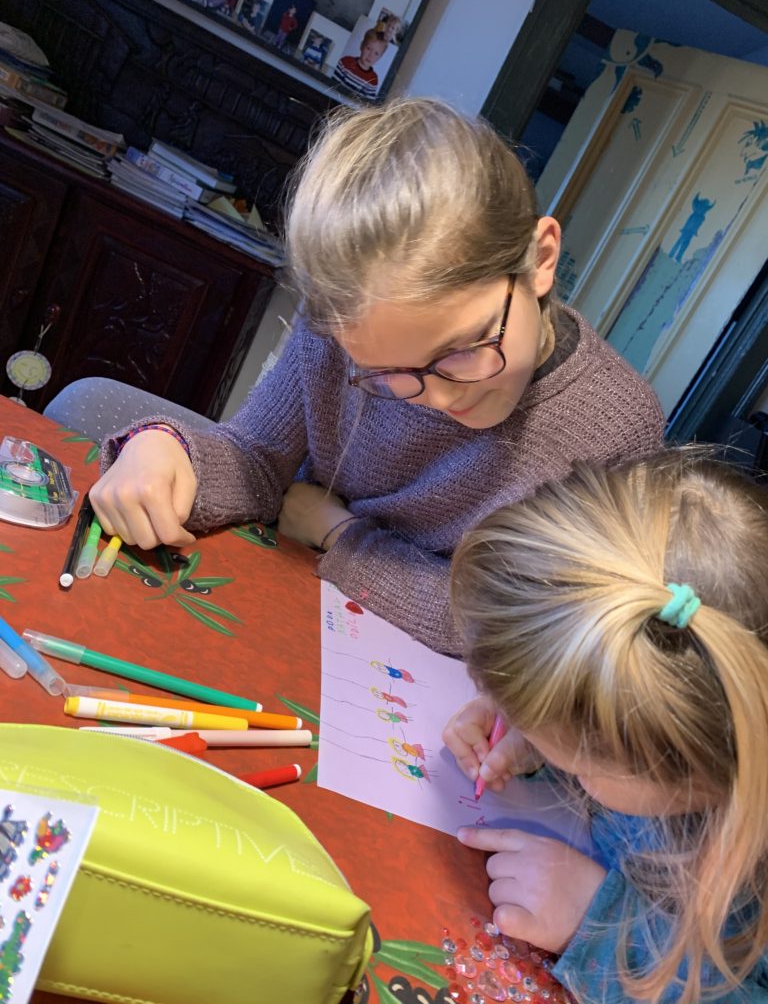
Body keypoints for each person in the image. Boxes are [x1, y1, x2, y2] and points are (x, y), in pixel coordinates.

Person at [90, 97, 664, 657]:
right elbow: (256, 459)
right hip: (293, 613)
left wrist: (338, 534)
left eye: (465, 349)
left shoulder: (616, 429)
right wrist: (165, 449)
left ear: (539, 260)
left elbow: (518, 631)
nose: (439, 397)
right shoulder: (343, 326)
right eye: (385, 373)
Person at [444, 448, 768, 1002]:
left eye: (582, 767)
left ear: (683, 758)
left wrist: (596, 923)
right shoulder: (686, 741)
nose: (575, 776)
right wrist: (537, 739)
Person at [333, 28, 388, 100]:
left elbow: (367, 103)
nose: (370, 55)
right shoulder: (345, 62)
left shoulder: (373, 79)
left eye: (376, 53)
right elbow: (331, 85)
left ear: (380, 57)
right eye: (368, 48)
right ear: (362, 46)